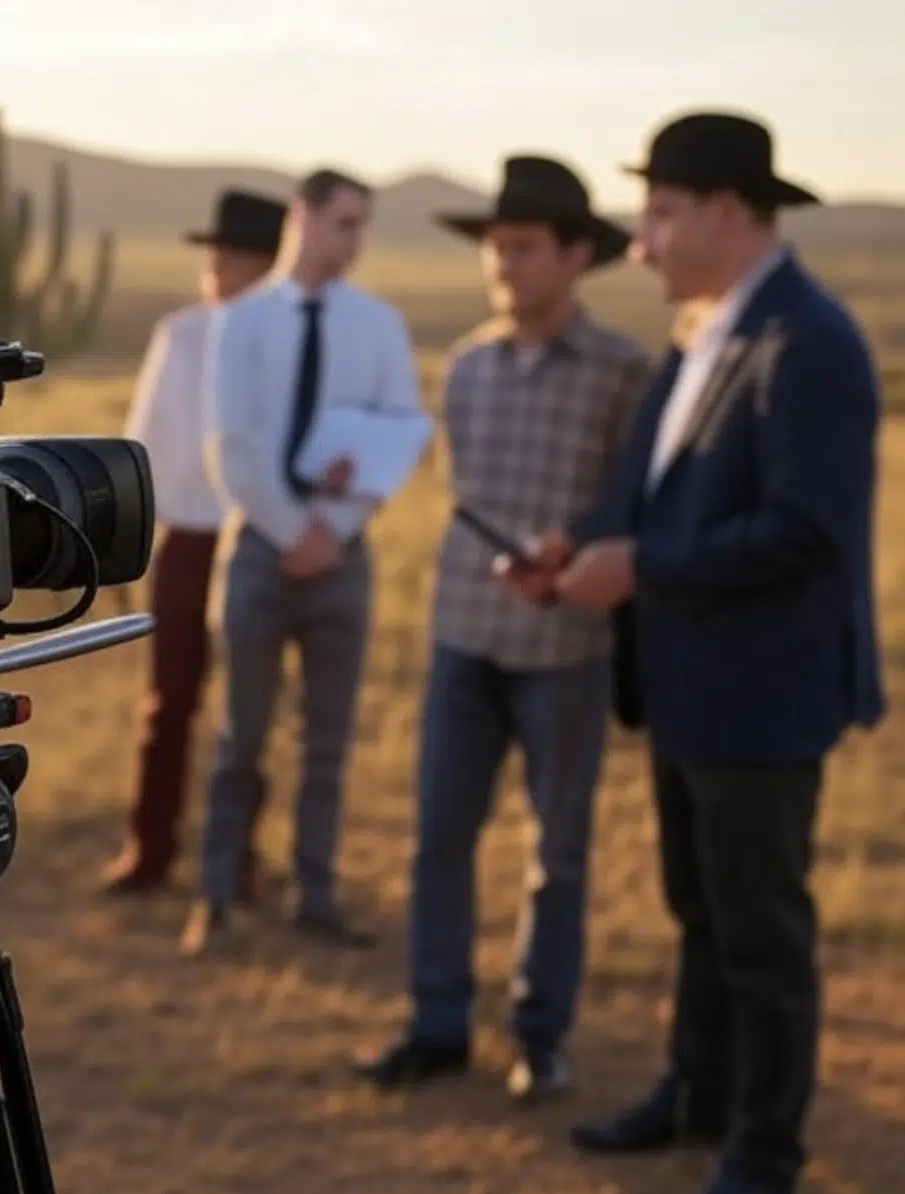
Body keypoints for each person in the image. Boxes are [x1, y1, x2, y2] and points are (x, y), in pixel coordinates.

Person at [502, 111, 885, 1194]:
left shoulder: (809, 343)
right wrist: (577, 545)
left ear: (726, 211)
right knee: (702, 911)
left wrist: (640, 572)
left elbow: (806, 532)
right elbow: (648, 492)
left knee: (761, 932)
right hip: (687, 686)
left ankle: (763, 1150)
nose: (641, 240)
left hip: (762, 695)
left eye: (660, 214)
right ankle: (698, 1096)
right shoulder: (709, 330)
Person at [354, 155, 651, 1102]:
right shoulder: (468, 365)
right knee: (439, 838)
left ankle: (541, 1034)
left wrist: (577, 554)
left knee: (556, 852)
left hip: (565, 651)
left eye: (523, 248)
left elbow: (633, 508)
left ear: (575, 256)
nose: (504, 265)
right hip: (463, 636)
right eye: (495, 248)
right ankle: (437, 1024)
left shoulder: (623, 372)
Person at [180, 168, 423, 955]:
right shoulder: (243, 323)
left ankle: (315, 894)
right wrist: (293, 534)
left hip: (343, 556)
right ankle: (217, 894)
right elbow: (232, 447)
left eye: (364, 227)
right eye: (344, 223)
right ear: (304, 218)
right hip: (259, 551)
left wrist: (335, 527)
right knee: (239, 735)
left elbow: (398, 433)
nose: (354, 242)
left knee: (328, 740)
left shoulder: (379, 325)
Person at [101, 187, 285, 897]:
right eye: (217, 257)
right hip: (187, 539)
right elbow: (145, 439)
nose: (219, 270)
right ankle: (150, 847)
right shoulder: (181, 334)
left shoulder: (287, 342)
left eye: (236, 258)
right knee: (168, 700)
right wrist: (127, 539)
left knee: (250, 709)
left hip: (259, 537)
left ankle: (236, 856)